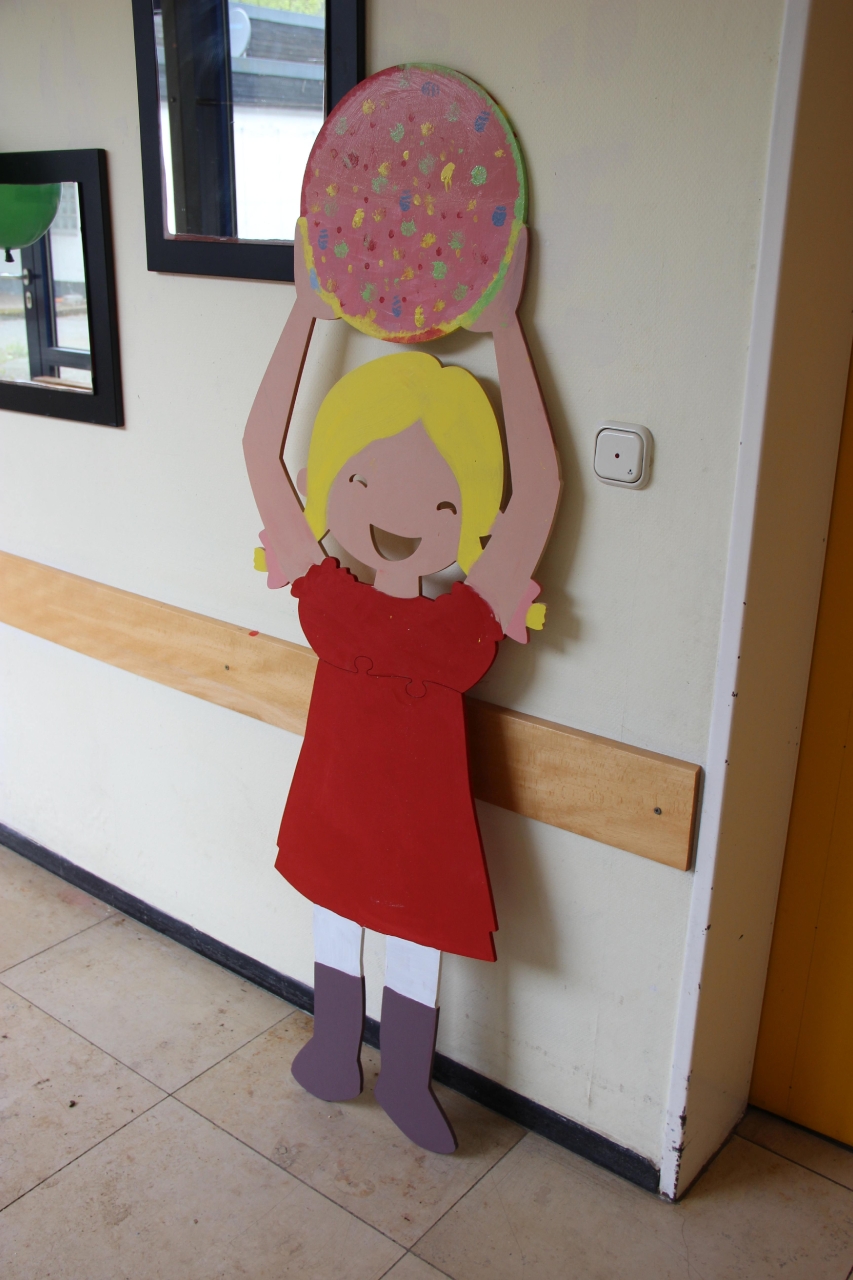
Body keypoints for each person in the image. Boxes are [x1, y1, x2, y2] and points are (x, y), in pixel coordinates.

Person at [243, 220, 560, 1153]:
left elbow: (540, 491)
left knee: (413, 934)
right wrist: (303, 312)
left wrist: (508, 331)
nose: (395, 513)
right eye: (364, 481)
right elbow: (259, 452)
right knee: (335, 914)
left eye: (441, 502)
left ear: (469, 517)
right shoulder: (326, 594)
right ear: (331, 484)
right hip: (338, 795)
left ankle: (408, 1081)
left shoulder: (460, 619)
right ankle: (334, 1050)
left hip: (419, 813)